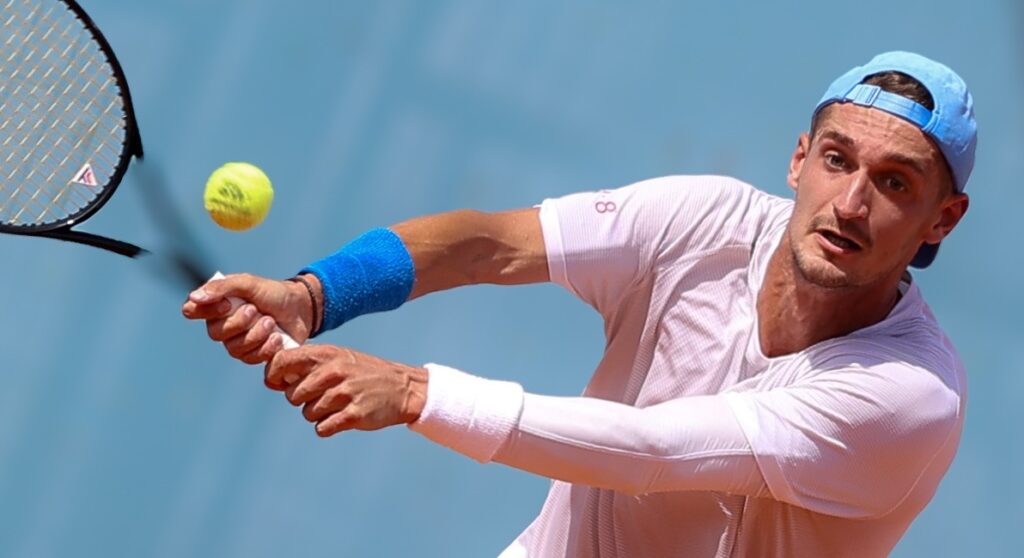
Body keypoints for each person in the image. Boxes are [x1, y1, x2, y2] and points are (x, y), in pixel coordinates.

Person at [182, 51, 976, 557]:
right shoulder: (703, 219)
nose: (851, 202)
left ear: (943, 219)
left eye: (895, 183)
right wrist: (313, 296)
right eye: (838, 161)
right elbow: (493, 243)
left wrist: (418, 392)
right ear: (800, 159)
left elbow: (656, 454)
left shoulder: (909, 397)